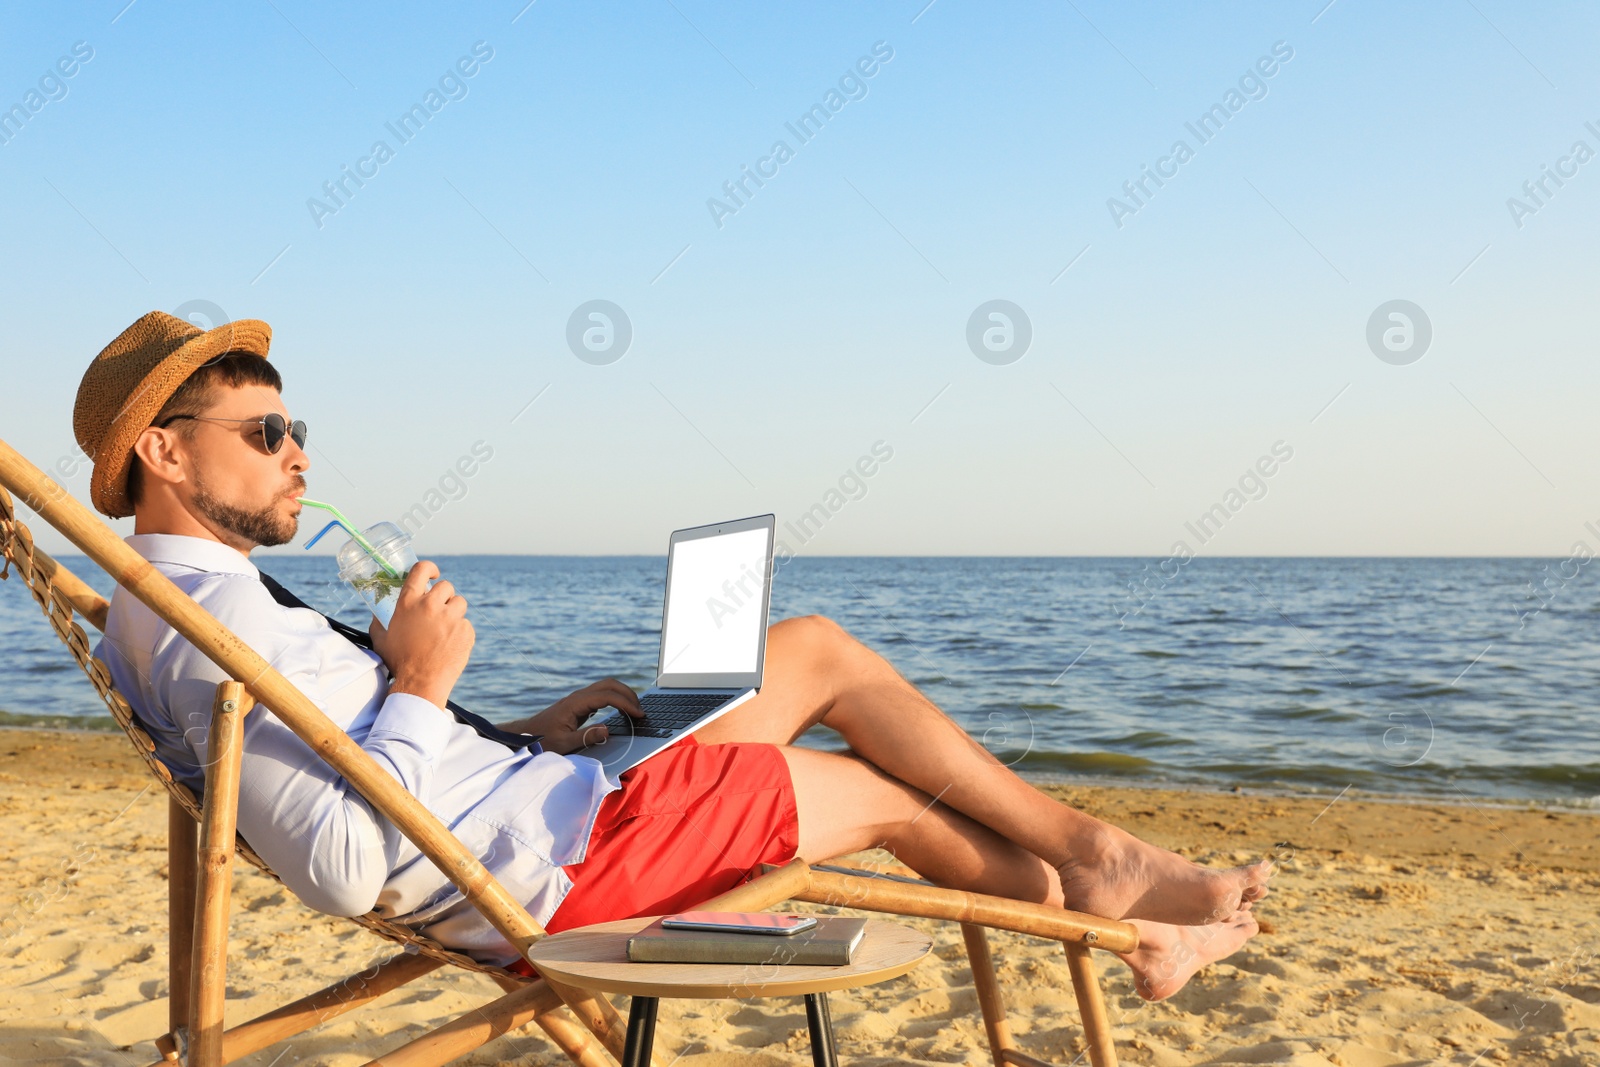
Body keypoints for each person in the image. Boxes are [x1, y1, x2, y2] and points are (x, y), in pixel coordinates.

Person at [76, 311, 1270, 1002]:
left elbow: (363, 764)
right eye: (268, 432)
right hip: (562, 872)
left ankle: (1092, 877)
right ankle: (1106, 907)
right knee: (885, 797)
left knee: (811, 650)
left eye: (300, 429)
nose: (300, 456)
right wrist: (427, 677)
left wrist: (522, 727)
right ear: (168, 457)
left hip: (545, 803)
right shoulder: (201, 629)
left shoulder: (188, 598)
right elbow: (340, 863)